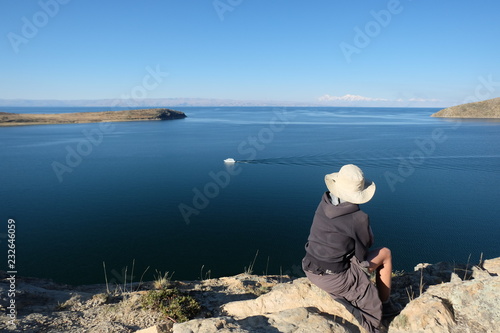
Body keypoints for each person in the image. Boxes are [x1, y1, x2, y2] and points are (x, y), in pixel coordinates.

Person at [302, 164, 401, 333]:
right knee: (385, 253)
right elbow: (361, 254)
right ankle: (386, 305)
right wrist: (366, 231)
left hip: (309, 267)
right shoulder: (358, 218)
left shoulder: (325, 202)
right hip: (334, 278)